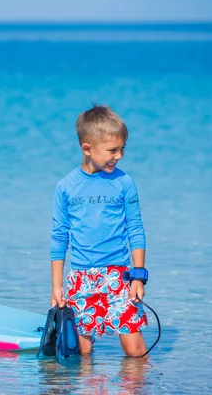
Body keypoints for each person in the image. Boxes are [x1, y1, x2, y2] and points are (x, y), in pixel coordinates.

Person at [50, 104, 148, 357]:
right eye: (112, 150)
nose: (119, 156)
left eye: (122, 149)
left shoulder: (124, 183)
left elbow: (135, 228)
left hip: (119, 276)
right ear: (87, 148)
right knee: (81, 352)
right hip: (82, 278)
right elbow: (60, 238)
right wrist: (57, 287)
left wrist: (138, 277)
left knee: (135, 351)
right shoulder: (66, 187)